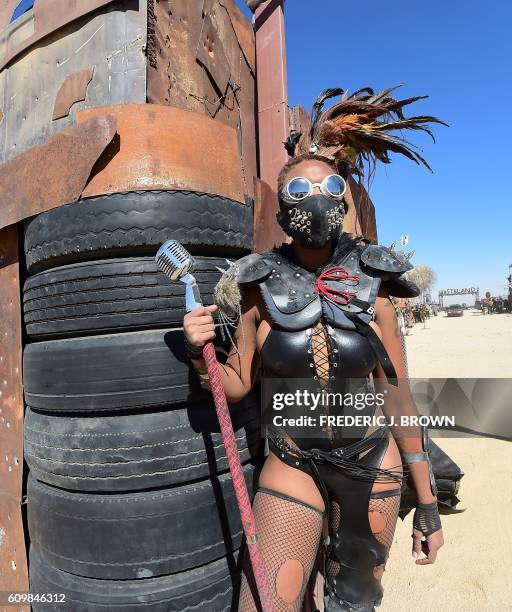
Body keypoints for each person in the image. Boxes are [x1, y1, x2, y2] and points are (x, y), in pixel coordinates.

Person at [183, 86, 447, 612]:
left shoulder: (374, 283)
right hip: (292, 463)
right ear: (282, 208)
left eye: (328, 187)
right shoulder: (258, 285)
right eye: (300, 189)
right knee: (266, 605)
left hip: (372, 464)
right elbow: (234, 385)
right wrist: (198, 349)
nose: (316, 198)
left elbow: (398, 400)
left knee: (355, 603)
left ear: (343, 199)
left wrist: (428, 503)